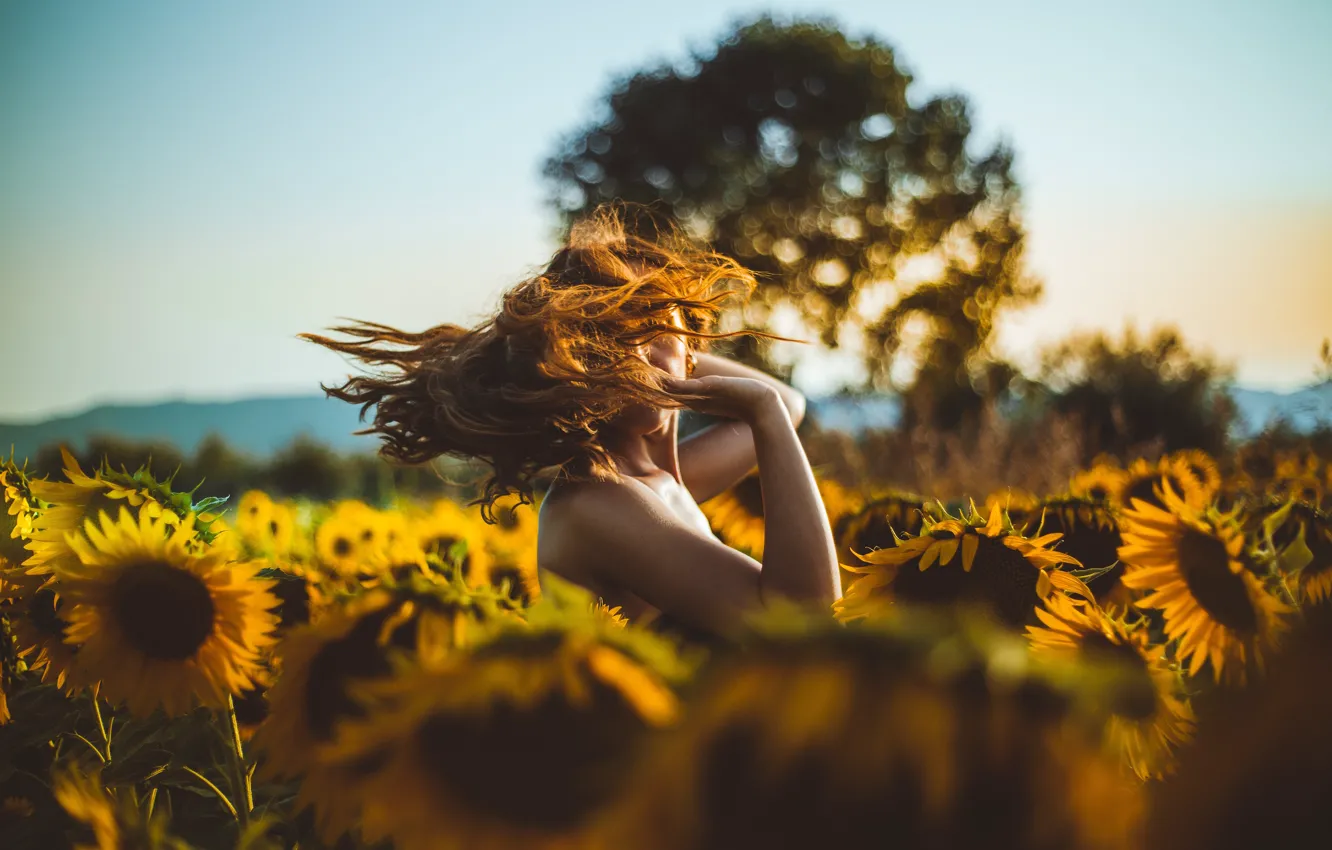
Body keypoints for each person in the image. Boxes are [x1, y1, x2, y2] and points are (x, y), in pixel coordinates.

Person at [301, 203, 840, 639]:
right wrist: (751, 405)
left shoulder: (658, 482)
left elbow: (787, 404)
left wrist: (689, 359)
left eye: (653, 320)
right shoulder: (598, 501)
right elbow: (805, 621)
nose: (637, 349)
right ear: (574, 365)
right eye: (611, 333)